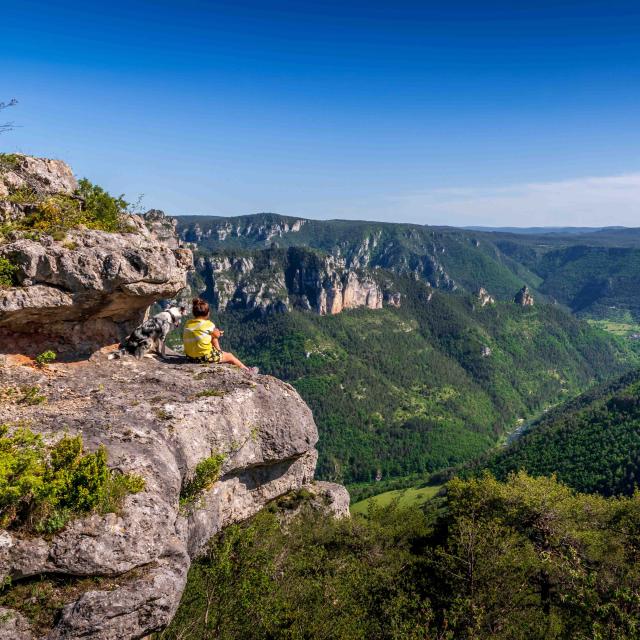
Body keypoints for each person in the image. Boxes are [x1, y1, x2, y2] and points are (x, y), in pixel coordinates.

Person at [183, 298, 258, 374]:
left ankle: (219, 353)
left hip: (190, 357)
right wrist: (218, 332)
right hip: (203, 358)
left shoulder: (188, 323)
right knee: (230, 356)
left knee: (211, 336)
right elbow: (217, 335)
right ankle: (247, 371)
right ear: (208, 313)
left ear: (193, 312)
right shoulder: (209, 325)